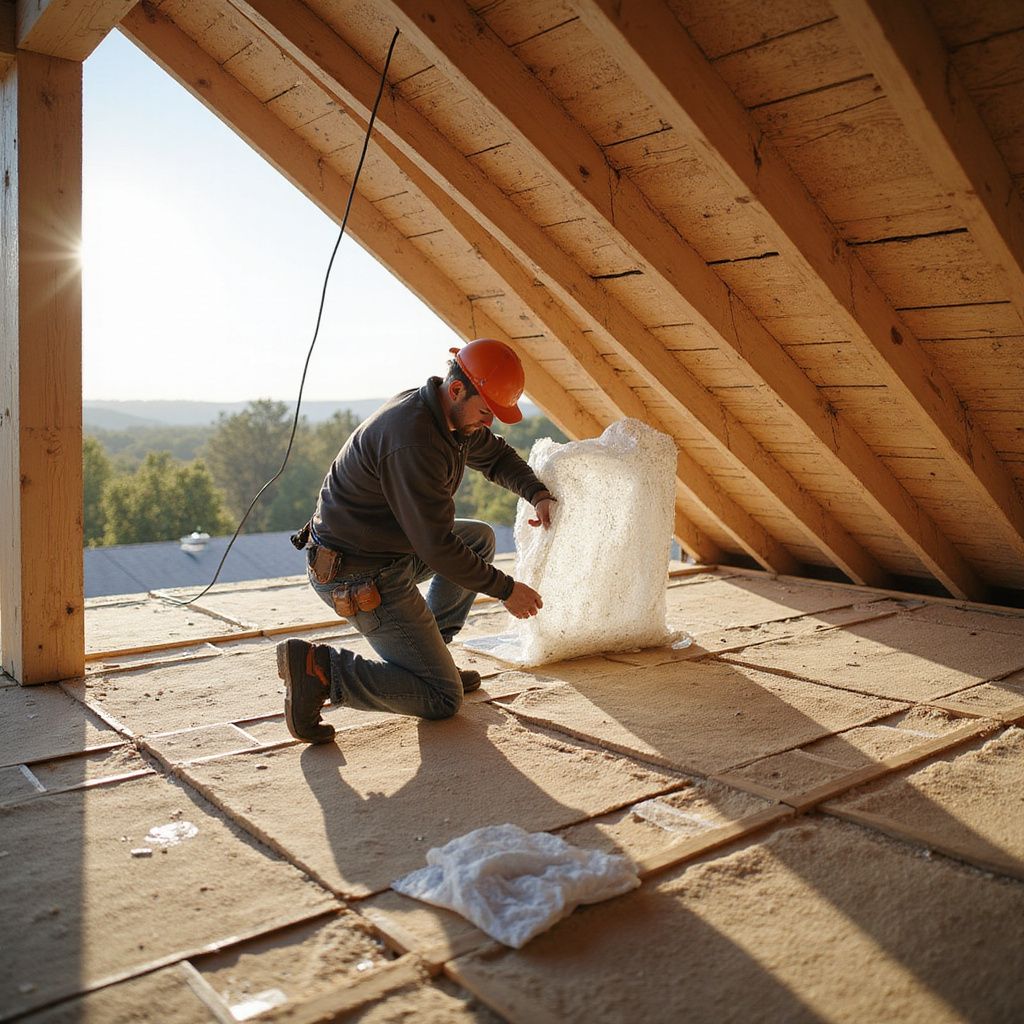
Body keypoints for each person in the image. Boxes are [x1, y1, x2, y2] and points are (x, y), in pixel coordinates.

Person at [276, 338, 557, 743]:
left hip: (385, 550)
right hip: (355, 573)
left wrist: (538, 493)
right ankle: (319, 670)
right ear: (457, 389)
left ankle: (430, 656)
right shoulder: (414, 439)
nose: (488, 422)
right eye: (485, 412)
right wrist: (506, 589)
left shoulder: (449, 417)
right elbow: (437, 547)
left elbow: (495, 456)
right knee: (442, 698)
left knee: (476, 538)